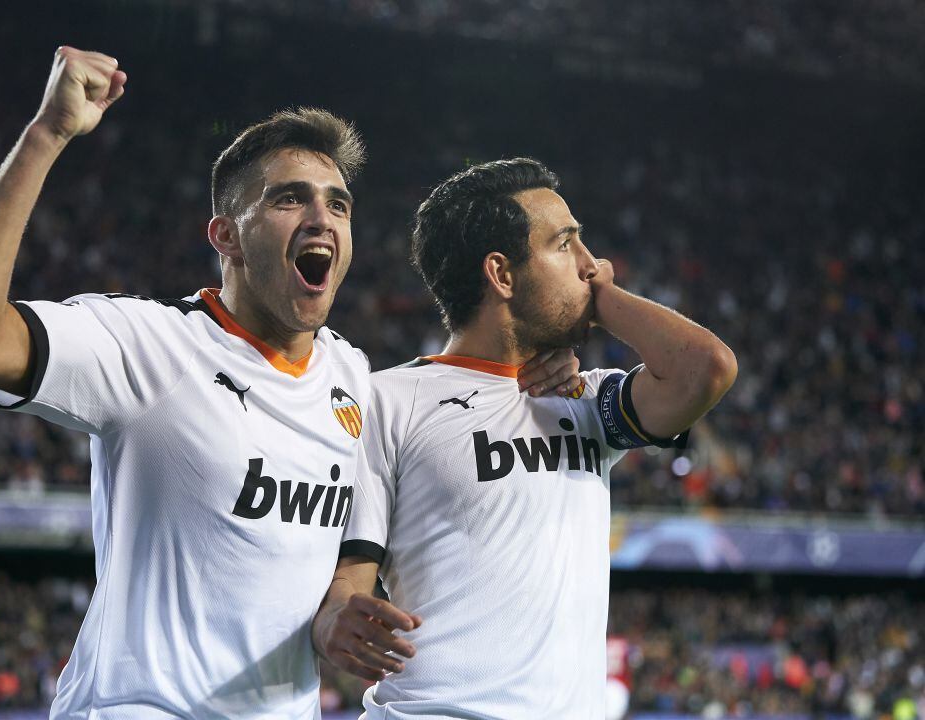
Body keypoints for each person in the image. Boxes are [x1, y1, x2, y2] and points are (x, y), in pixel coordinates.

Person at [0, 50, 580, 718]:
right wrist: (46, 136)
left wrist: (534, 373)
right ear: (226, 236)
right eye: (290, 198)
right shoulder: (150, 344)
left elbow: (438, 422)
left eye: (338, 204)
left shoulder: (352, 376)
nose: (322, 217)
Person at [312, 158, 738, 719]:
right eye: (566, 246)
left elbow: (707, 369)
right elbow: (346, 585)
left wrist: (603, 301)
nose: (594, 266)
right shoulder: (388, 401)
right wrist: (339, 621)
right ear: (502, 274)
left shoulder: (587, 398)